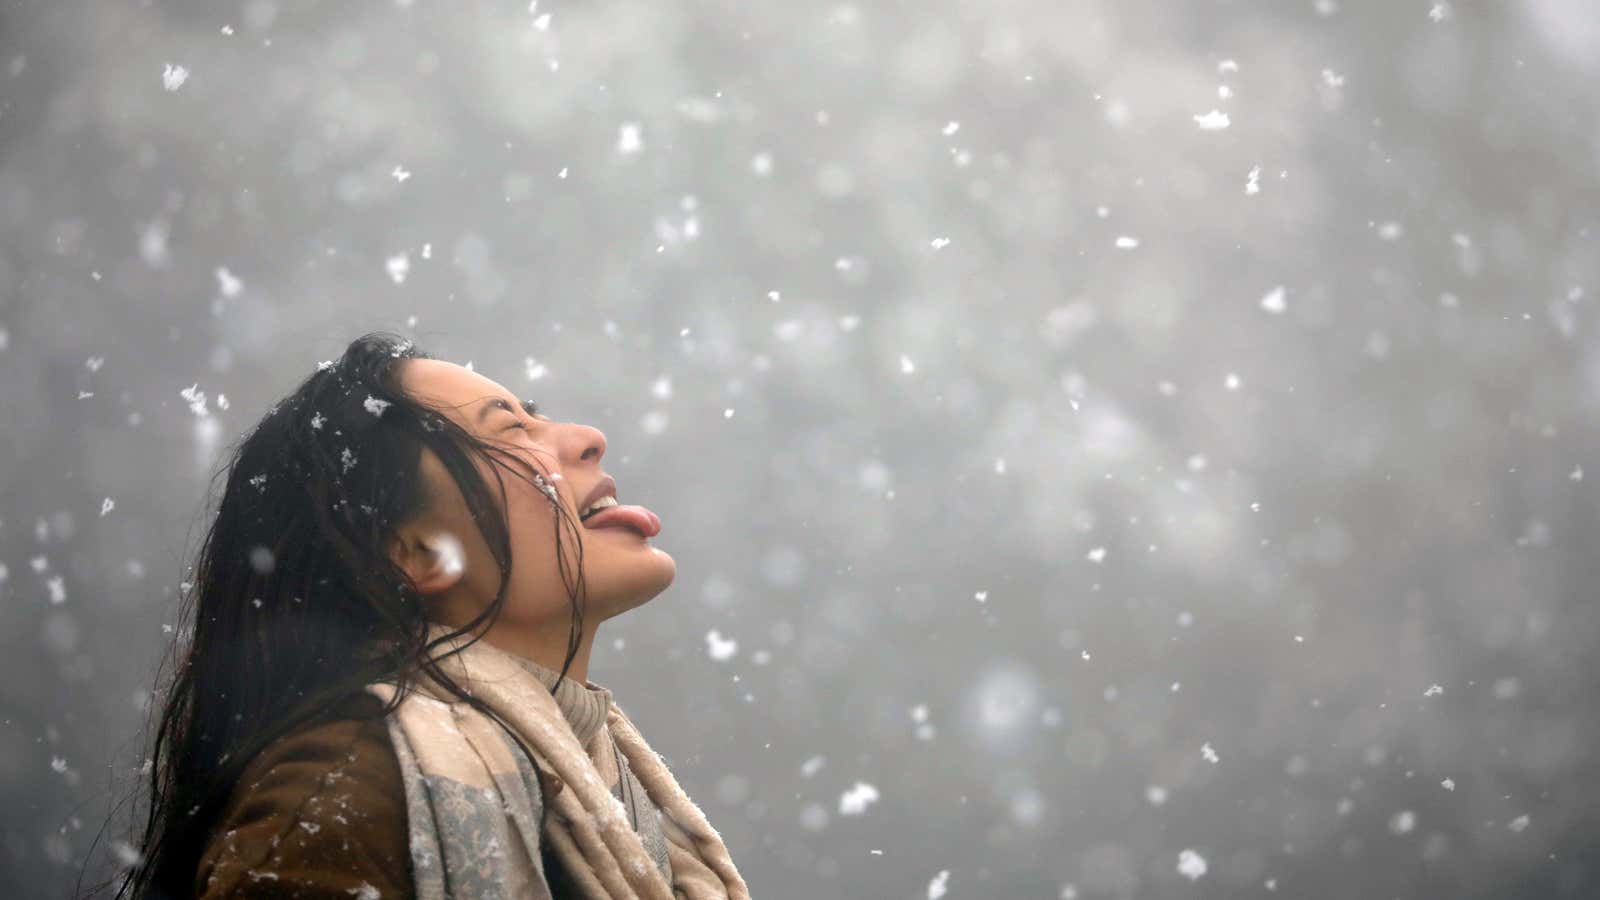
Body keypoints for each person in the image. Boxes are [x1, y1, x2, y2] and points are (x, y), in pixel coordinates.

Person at [100, 331, 750, 898]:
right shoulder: (341, 808)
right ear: (415, 551)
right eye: (511, 429)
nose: (587, 439)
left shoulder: (595, 792)